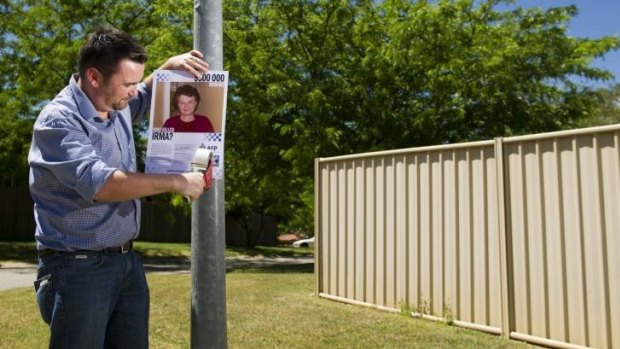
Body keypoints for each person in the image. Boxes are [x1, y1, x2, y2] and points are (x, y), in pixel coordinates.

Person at [28, 27, 210, 348]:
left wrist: (167, 68)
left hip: (126, 263)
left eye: (136, 82)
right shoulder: (58, 121)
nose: (134, 90)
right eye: (127, 84)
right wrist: (178, 181)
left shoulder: (117, 105)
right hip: (77, 268)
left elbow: (143, 92)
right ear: (94, 77)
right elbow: (102, 184)